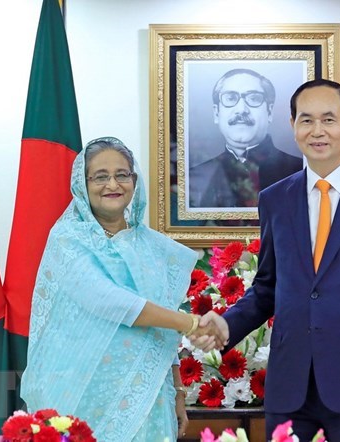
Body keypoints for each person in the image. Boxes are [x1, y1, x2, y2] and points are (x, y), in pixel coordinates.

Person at [193, 79, 340, 441]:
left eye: (329, 120)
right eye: (306, 120)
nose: (318, 131)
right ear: (292, 126)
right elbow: (268, 287)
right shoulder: (275, 199)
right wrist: (227, 325)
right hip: (290, 390)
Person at [20, 137, 224, 441]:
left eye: (122, 174)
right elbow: (111, 301)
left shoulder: (151, 247)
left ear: (134, 180)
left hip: (147, 394)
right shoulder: (68, 240)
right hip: (87, 393)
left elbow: (162, 331)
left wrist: (178, 390)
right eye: (100, 176)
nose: (112, 184)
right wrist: (192, 323)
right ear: (82, 184)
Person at [188, 68, 303, 208]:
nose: (241, 109)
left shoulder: (300, 171)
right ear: (216, 113)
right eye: (230, 98)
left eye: (254, 98)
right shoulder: (193, 178)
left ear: (270, 111)